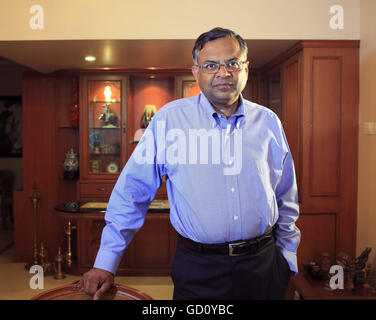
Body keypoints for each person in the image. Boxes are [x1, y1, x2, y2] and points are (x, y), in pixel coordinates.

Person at [81, 27, 301, 300]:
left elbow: (286, 195)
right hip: (199, 270)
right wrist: (106, 261)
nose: (223, 72)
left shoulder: (268, 122)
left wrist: (286, 257)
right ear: (196, 72)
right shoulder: (169, 120)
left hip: (264, 267)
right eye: (211, 65)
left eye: (232, 63)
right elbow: (132, 192)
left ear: (245, 68)